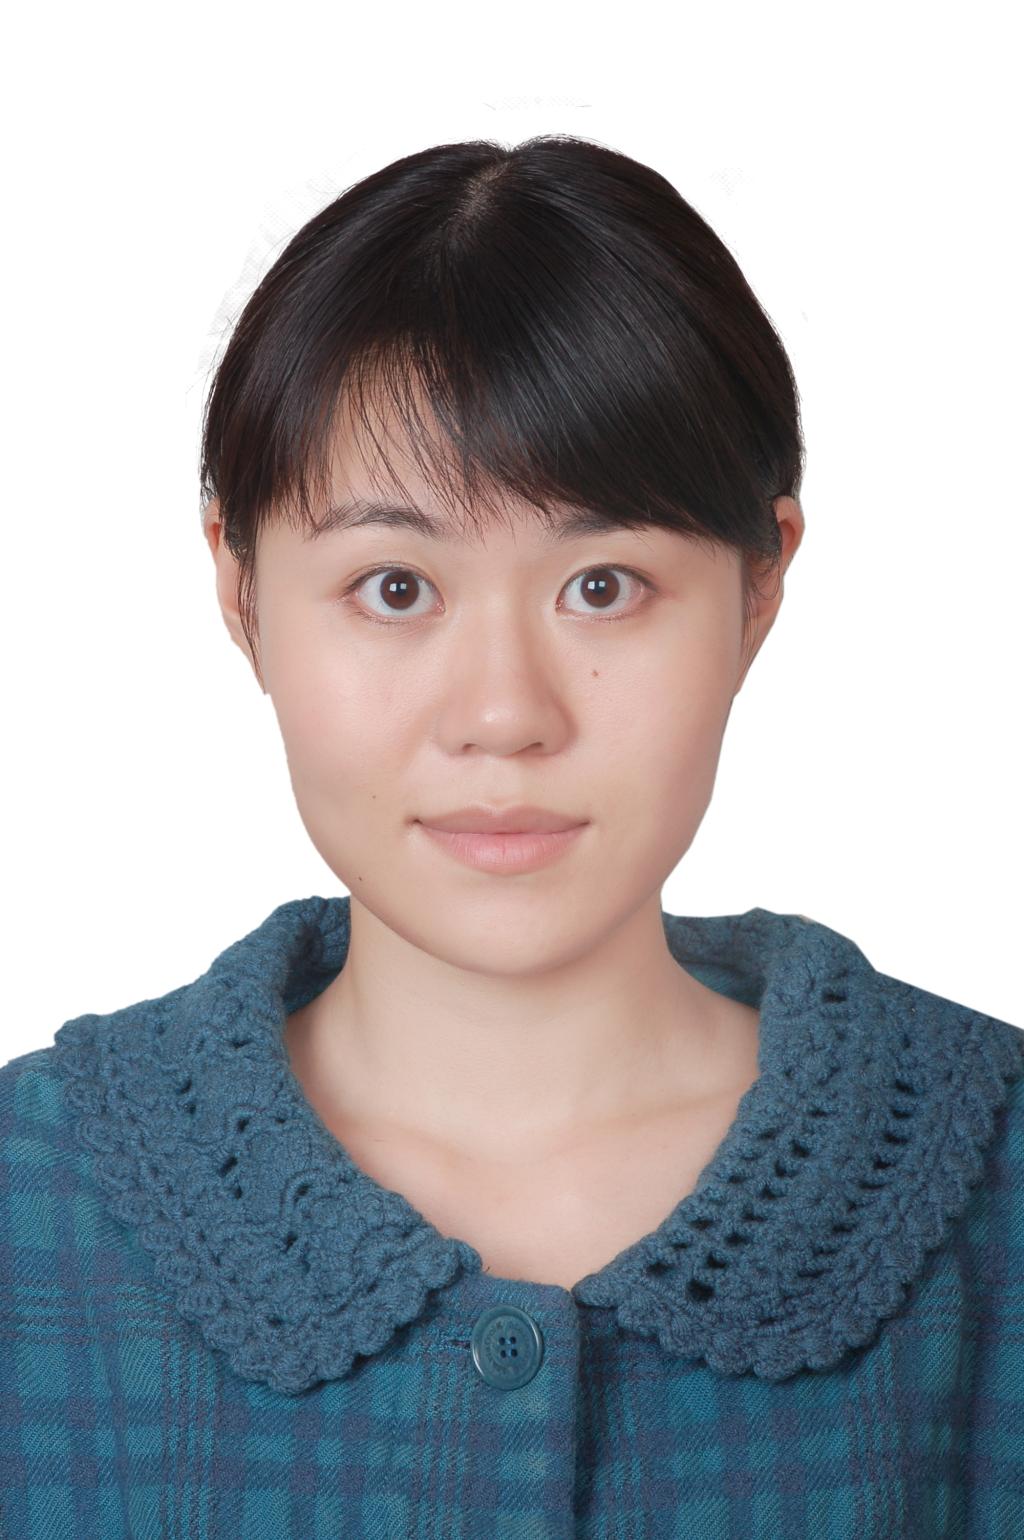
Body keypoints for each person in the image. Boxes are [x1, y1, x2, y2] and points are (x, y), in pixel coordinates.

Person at [2, 133, 1022, 1538]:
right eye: (395, 587)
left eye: (603, 586)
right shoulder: (31, 1208)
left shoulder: (994, 1188)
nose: (503, 714)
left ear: (759, 589)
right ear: (239, 593)